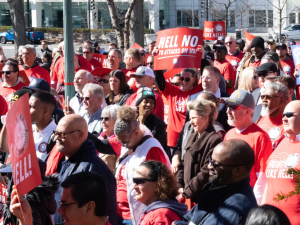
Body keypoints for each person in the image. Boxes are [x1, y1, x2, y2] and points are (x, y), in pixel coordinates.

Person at [174, 139, 257, 225]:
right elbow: (190, 220)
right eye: (210, 160)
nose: (209, 166)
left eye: (215, 164)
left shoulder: (238, 211)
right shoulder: (216, 191)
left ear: (238, 171)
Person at [53, 114, 117, 225]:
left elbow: (105, 215)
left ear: (80, 135)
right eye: (56, 133)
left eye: (62, 134)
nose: (56, 138)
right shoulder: (68, 161)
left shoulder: (94, 168)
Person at [114, 106, 171, 225]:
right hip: (121, 214)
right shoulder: (131, 142)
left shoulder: (152, 148)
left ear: (136, 133)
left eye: (124, 142)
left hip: (138, 216)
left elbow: (161, 185)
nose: (123, 146)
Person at [223, 89, 273, 187]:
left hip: (247, 195)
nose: (228, 111)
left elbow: (262, 176)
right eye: (227, 106)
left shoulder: (260, 137)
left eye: (233, 107)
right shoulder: (229, 134)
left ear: (247, 111)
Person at [261, 101, 300, 224]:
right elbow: (269, 184)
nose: (284, 118)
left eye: (289, 115)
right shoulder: (282, 143)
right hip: (269, 220)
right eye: (283, 115)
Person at [176, 99, 222, 202]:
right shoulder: (192, 136)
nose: (191, 122)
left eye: (194, 118)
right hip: (186, 195)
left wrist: (186, 193)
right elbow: (183, 163)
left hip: (200, 198)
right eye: (190, 118)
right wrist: (179, 185)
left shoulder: (214, 140)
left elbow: (206, 171)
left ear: (206, 117)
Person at [154, 68, 202, 150]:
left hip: (189, 135)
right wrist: (157, 62)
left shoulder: (197, 91)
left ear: (193, 80)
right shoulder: (173, 91)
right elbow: (159, 80)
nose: (183, 81)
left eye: (187, 79)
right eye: (181, 78)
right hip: (173, 138)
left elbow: (205, 73)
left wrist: (202, 58)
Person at [134, 161, 188, 225]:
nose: (134, 187)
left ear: (157, 185)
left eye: (139, 181)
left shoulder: (161, 216)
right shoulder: (153, 211)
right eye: (134, 181)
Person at [187, 66, 230, 131]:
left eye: (208, 78)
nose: (204, 80)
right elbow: (188, 126)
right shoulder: (192, 98)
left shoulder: (228, 99)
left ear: (217, 80)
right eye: (202, 77)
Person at [136, 87, 169, 157]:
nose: (149, 105)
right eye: (146, 101)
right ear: (138, 103)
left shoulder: (159, 124)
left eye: (152, 102)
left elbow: (160, 149)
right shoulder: (130, 120)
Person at [256, 82, 288, 150]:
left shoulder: (288, 125)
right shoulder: (260, 120)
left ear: (281, 101)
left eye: (268, 97)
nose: (264, 100)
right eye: (262, 97)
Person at [98, 105, 122, 171]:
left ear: (117, 121)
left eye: (106, 119)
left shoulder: (120, 142)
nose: (102, 122)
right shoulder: (98, 139)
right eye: (101, 118)